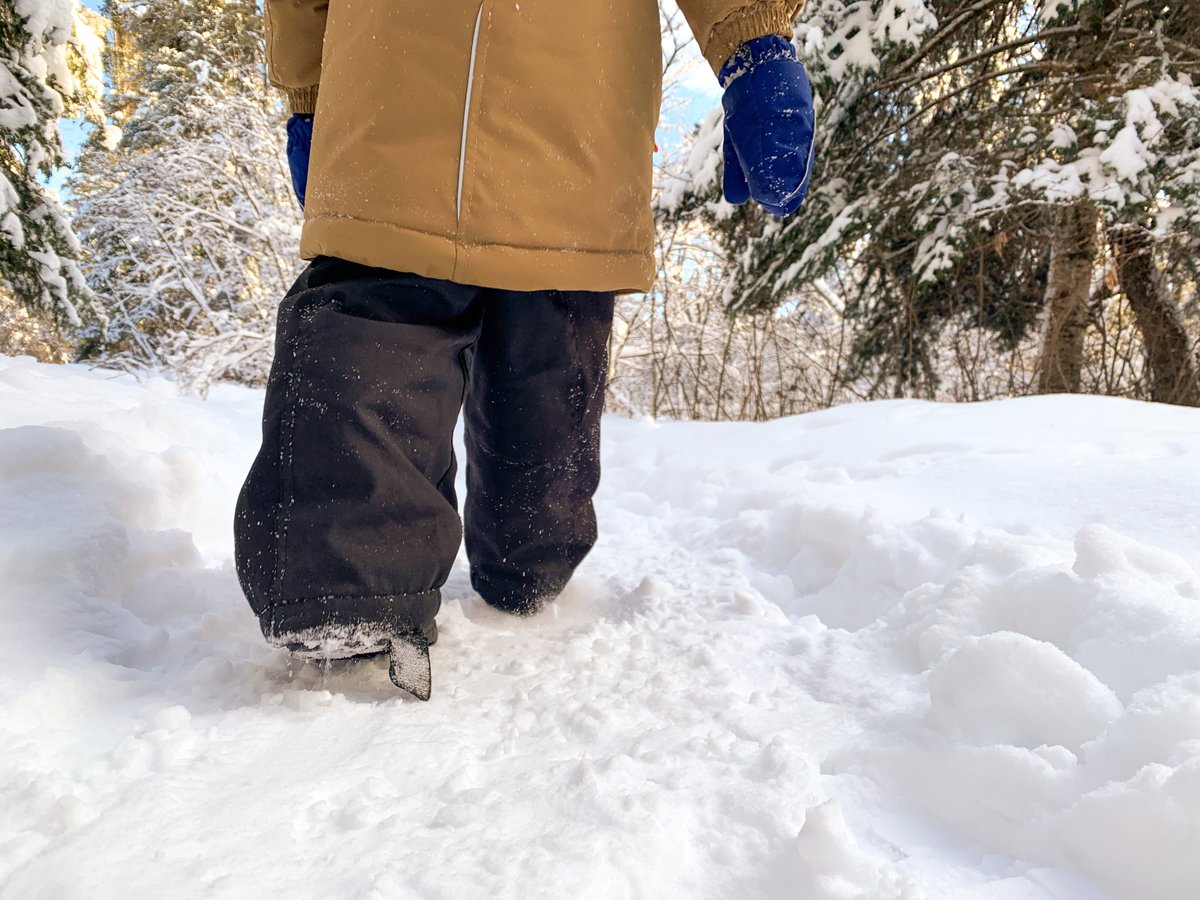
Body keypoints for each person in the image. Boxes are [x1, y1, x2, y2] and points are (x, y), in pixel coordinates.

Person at [234, 0, 816, 700]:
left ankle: (531, 569)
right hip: (392, 114)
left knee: (544, 417)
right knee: (365, 354)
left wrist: (751, 38)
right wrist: (307, 92)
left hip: (574, 144)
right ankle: (348, 595)